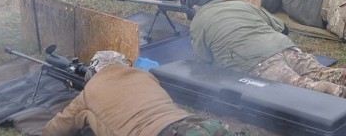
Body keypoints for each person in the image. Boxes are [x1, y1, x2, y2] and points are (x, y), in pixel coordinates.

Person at [186, 0, 346, 103]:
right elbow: (281, 27)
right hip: (284, 45)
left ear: (194, 8)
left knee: (300, 85)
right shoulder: (240, 2)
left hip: (255, 60)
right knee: (322, 72)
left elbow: (203, 62)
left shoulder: (198, 21)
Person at [43, 50, 234, 136]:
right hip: (197, 123)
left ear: (93, 72)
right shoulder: (144, 76)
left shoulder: (91, 90)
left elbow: (58, 128)